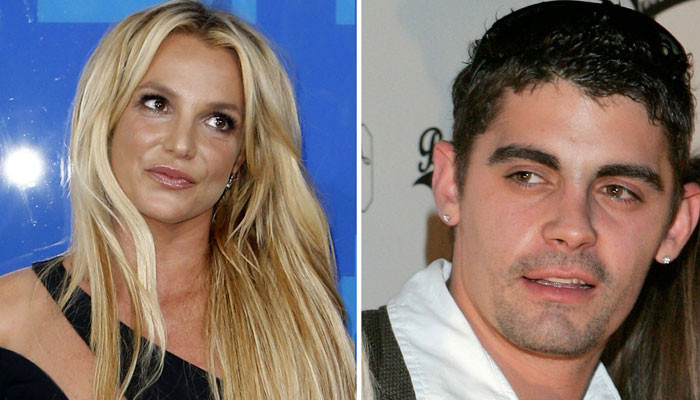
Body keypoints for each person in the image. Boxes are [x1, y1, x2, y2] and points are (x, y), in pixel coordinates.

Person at [0, 1, 355, 399]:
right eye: (157, 104)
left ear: (240, 157)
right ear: (108, 118)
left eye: (218, 122)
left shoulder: (295, 334)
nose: (181, 144)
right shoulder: (8, 316)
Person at [363, 1, 699, 399]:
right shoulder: (327, 379)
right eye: (528, 177)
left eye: (618, 191)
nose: (573, 229)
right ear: (451, 184)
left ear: (676, 226)